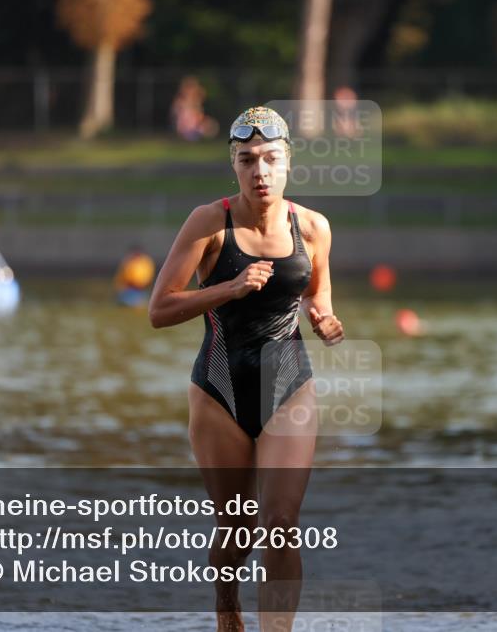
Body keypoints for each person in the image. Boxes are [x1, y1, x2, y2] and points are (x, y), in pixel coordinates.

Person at [148, 105, 343, 631]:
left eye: (270, 159)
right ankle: (226, 601)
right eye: (247, 159)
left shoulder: (313, 227)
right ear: (233, 166)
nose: (260, 171)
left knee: (281, 523)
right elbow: (159, 310)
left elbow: (316, 294)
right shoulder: (209, 222)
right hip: (219, 388)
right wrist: (229, 288)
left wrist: (323, 318)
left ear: (287, 165)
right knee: (237, 525)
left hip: (289, 381)